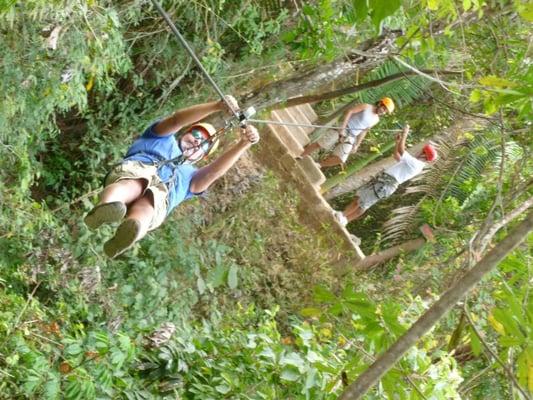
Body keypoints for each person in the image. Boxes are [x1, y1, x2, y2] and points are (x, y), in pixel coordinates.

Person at [84, 96, 260, 258]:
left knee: (149, 204)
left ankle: (130, 231)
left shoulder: (192, 176)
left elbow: (214, 172)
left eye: (204, 144)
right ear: (184, 134)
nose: (198, 142)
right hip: (139, 169)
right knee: (136, 184)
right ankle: (106, 207)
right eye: (196, 135)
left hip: (163, 195)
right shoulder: (162, 138)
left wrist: (243, 145)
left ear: (203, 157)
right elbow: (177, 119)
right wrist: (217, 106)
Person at [333, 124, 437, 225]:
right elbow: (397, 156)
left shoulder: (417, 164)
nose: (420, 152)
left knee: (363, 203)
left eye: (422, 151)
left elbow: (401, 151)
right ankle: (344, 218)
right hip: (383, 180)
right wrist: (397, 142)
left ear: (424, 155)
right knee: (359, 197)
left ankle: (343, 217)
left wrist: (405, 134)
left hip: (387, 183)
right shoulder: (413, 161)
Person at [300, 97, 395, 168]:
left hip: (352, 136)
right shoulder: (366, 106)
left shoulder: (376, 120)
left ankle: (318, 165)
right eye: (384, 109)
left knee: (341, 159)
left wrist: (357, 144)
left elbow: (364, 131)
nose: (383, 112)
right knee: (321, 144)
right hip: (345, 127)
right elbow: (350, 112)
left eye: (386, 111)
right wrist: (342, 127)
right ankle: (300, 156)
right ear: (380, 104)